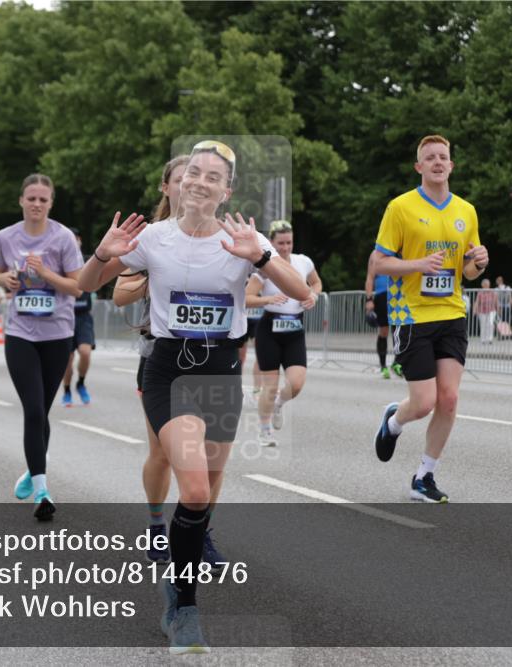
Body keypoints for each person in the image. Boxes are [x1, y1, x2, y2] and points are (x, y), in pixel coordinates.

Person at [78, 140, 309, 654]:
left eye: (213, 177)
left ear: (226, 191)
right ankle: (182, 606)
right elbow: (84, 285)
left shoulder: (241, 241)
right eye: (193, 173)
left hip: (222, 371)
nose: (200, 181)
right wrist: (102, 253)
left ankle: (181, 565)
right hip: (168, 371)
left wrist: (264, 255)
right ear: (179, 184)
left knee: (207, 486)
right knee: (197, 491)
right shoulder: (152, 238)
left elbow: (301, 293)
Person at [371, 134, 489, 503]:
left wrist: (478, 262)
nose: (438, 162)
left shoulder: (466, 211)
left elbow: (467, 272)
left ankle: (424, 476)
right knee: (422, 403)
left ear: (452, 165)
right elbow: (380, 262)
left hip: (451, 312)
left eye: (444, 157)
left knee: (449, 399)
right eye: (430, 158)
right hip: (412, 315)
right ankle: (394, 420)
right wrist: (417, 265)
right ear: (419, 167)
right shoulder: (401, 207)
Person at [0, 173, 83, 521]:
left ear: (50, 204)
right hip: (20, 333)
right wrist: (6, 279)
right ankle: (43, 490)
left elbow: (77, 288)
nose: (36, 204)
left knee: (41, 411)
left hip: (57, 333)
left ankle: (33, 469)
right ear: (21, 201)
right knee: (32, 409)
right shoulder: (6, 236)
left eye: (43, 199)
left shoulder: (62, 239)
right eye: (31, 198)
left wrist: (45, 273)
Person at [112, 155, 185, 565]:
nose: (187, 187)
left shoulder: (218, 235)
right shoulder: (151, 237)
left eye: (194, 180)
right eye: (179, 180)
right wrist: (153, 276)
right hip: (158, 355)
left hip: (208, 358)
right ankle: (158, 526)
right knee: (162, 452)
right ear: (166, 187)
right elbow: (119, 293)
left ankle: (198, 529)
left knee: (205, 455)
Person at [246, 220, 322, 446]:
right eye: (280, 243)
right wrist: (269, 299)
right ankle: (264, 429)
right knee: (269, 385)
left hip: (295, 329)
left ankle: (279, 403)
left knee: (297, 383)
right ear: (271, 243)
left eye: (289, 242)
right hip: (269, 329)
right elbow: (247, 299)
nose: (285, 247)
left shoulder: (303, 262)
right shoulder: (265, 268)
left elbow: (316, 283)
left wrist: (313, 296)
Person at [62, 229, 95, 406]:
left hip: (83, 317)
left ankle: (81, 383)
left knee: (85, 352)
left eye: (75, 239)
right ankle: (66, 390)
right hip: (65, 316)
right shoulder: (60, 262)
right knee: (67, 361)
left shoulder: (87, 262)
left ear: (80, 241)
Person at [366, 253, 394, 377]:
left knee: (400, 329)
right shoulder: (375, 254)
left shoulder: (399, 250)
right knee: (384, 330)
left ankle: (398, 363)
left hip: (398, 294)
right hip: (382, 295)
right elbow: (370, 277)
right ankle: (383, 366)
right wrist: (369, 299)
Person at [474, 277, 497, 344]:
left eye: (487, 284)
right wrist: (475, 310)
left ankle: (490, 339)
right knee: (483, 324)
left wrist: (498, 309)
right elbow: (477, 301)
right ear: (482, 285)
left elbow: (496, 301)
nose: (486, 285)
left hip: (491, 310)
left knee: (490, 323)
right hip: (482, 311)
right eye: (485, 284)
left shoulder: (492, 292)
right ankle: (483, 339)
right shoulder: (480, 293)